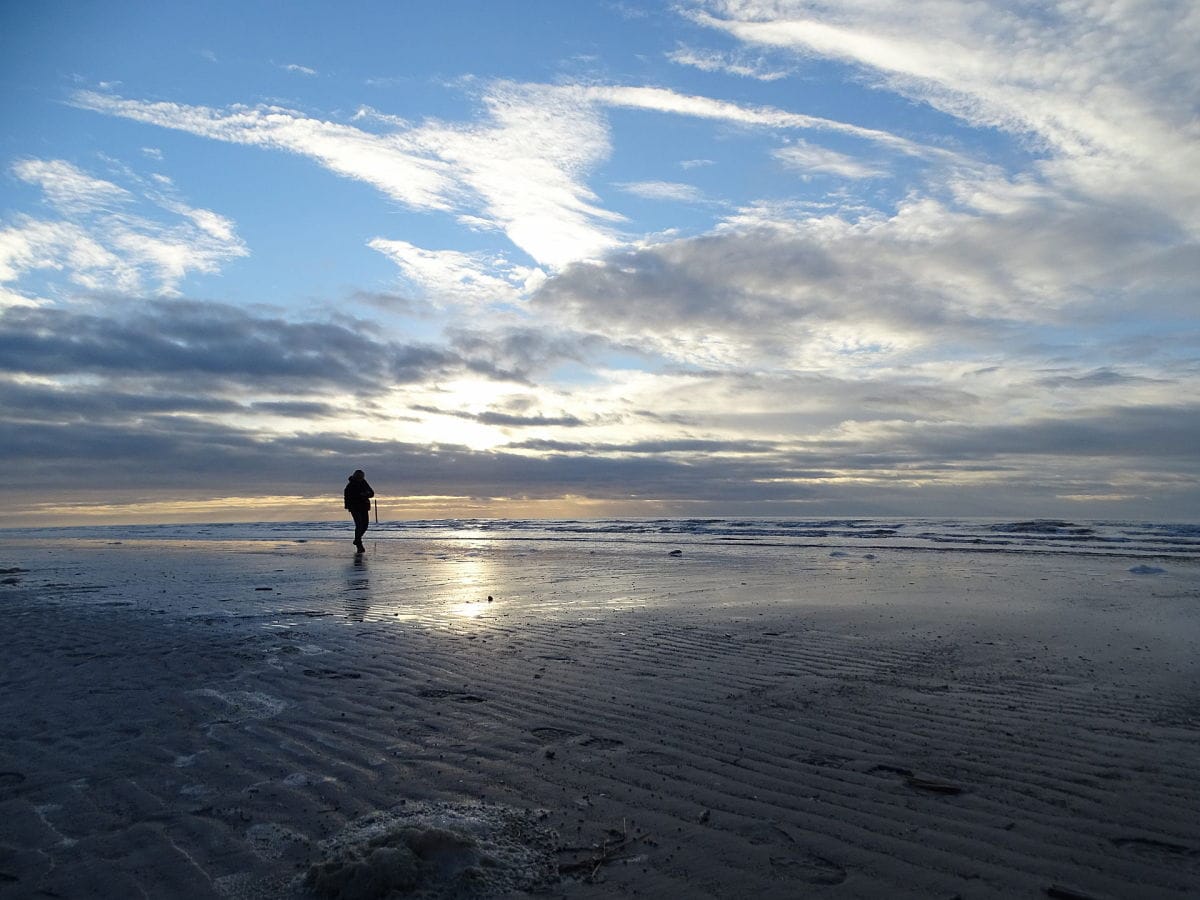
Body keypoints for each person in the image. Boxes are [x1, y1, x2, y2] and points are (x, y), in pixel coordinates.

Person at [343, 469, 375, 553]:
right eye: (359, 477)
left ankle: (357, 540)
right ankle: (359, 544)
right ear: (355, 476)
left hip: (364, 507)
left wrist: (366, 494)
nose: (361, 478)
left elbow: (372, 493)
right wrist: (360, 496)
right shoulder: (350, 486)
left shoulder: (364, 482)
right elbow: (348, 497)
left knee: (365, 526)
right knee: (359, 525)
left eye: (362, 477)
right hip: (355, 508)